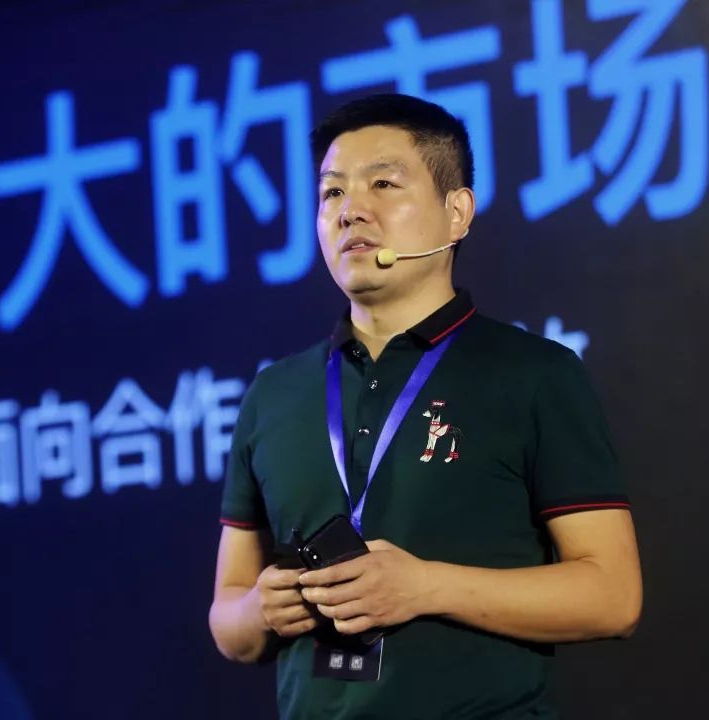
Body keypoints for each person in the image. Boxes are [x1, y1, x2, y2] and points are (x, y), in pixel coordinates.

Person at [208, 93, 642, 719]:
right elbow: (229, 619)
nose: (351, 210)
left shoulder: (533, 373)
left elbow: (613, 596)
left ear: (457, 212)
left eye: (383, 184)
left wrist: (425, 587)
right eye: (332, 193)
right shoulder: (274, 393)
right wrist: (261, 610)